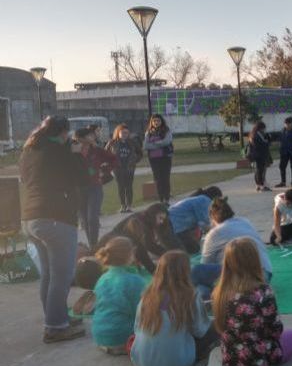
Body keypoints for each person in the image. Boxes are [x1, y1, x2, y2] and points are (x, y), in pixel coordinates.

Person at [20, 115, 85, 343]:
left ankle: (56, 317)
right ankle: (56, 327)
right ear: (63, 132)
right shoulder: (58, 152)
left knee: (49, 274)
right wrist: (76, 154)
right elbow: (78, 178)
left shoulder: (30, 150)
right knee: (62, 276)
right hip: (55, 218)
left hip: (30, 218)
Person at [204, 238, 292, 366]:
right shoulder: (263, 291)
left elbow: (220, 325)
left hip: (231, 363)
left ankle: (221, 359)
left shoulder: (219, 292)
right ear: (254, 260)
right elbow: (275, 331)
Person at [131, 251, 218, 366]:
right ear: (186, 271)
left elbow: (136, 328)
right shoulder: (190, 295)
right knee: (218, 324)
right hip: (179, 363)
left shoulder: (147, 296)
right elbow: (200, 331)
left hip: (142, 362)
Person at [193, 197, 273, 298]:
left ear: (212, 217)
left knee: (197, 271)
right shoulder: (245, 221)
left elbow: (205, 265)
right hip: (265, 273)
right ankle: (204, 294)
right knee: (203, 287)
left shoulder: (215, 233)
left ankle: (198, 296)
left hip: (243, 276)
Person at [91, 237, 146, 355]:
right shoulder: (135, 281)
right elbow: (141, 313)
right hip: (122, 337)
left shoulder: (102, 278)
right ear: (130, 254)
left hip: (100, 336)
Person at [96, 202, 181, 273]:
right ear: (153, 214)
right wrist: (170, 256)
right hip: (111, 246)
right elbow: (147, 246)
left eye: (163, 219)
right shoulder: (139, 223)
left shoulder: (144, 219)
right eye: (160, 218)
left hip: (111, 244)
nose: (161, 222)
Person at [74, 127, 118, 249]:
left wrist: (105, 169)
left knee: (92, 217)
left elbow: (113, 159)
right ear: (80, 138)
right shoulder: (72, 151)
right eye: (90, 135)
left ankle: (94, 245)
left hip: (95, 187)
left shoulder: (97, 151)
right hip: (78, 189)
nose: (93, 137)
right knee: (84, 220)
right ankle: (92, 245)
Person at [167, 186, 223, 253]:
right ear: (215, 197)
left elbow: (202, 223)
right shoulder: (204, 200)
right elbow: (206, 221)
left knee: (193, 243)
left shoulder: (199, 199)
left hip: (174, 224)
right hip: (176, 226)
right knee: (193, 248)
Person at [105, 124, 142, 213]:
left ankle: (129, 205)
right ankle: (122, 205)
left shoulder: (132, 142)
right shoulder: (112, 142)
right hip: (117, 168)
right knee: (121, 187)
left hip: (129, 168)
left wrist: (134, 161)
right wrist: (111, 163)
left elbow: (140, 153)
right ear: (118, 132)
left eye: (127, 133)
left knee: (129, 186)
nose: (125, 134)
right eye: (123, 132)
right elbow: (105, 153)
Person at [144, 114, 174, 204]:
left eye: (158, 121)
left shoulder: (166, 130)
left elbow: (166, 142)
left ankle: (166, 198)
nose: (156, 122)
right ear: (151, 122)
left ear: (161, 121)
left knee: (165, 178)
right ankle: (161, 199)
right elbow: (146, 145)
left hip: (165, 158)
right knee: (157, 179)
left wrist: (154, 143)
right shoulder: (148, 132)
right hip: (154, 159)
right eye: (154, 121)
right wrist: (158, 144)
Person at [248, 121, 273, 192]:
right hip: (259, 155)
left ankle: (258, 185)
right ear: (260, 128)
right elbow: (262, 144)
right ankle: (262, 186)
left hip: (257, 155)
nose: (264, 130)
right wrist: (268, 141)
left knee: (258, 171)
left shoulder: (253, 134)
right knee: (260, 171)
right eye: (264, 128)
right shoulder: (257, 135)